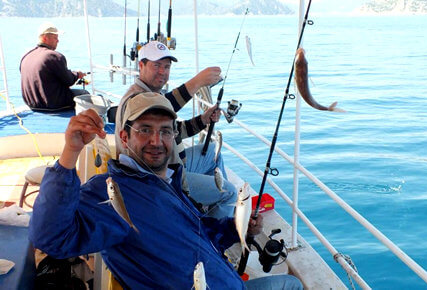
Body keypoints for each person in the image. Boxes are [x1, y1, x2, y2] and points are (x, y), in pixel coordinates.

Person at [29, 92, 303, 289]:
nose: (156, 141)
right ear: (124, 136)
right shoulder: (110, 193)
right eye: (145, 130)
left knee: (290, 282)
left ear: (174, 136)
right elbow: (52, 238)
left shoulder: (165, 181)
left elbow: (198, 234)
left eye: (165, 131)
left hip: (220, 280)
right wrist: (70, 154)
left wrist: (238, 228)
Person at [115, 40, 236, 219]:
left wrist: (203, 120)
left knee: (213, 153)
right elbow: (164, 104)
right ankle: (211, 236)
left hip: (177, 163)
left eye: (167, 66)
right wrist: (197, 82)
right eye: (156, 65)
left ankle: (206, 212)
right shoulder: (136, 98)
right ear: (141, 65)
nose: (163, 72)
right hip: (161, 178)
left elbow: (175, 130)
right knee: (231, 193)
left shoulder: (155, 94)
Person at [20, 22, 89, 111]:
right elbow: (69, 80)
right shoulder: (54, 56)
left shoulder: (26, 56)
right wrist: (77, 74)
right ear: (45, 38)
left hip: (33, 105)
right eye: (55, 37)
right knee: (84, 94)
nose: (58, 40)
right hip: (53, 104)